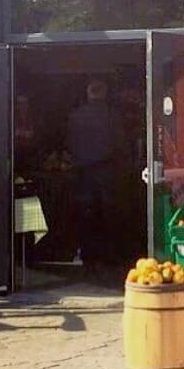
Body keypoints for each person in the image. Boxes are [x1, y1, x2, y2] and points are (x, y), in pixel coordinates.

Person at [66, 79, 124, 275]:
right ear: (105, 93)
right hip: (108, 172)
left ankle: (88, 257)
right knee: (109, 216)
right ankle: (110, 257)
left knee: (86, 215)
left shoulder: (76, 116)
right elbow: (121, 143)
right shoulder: (113, 116)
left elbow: (69, 144)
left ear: (88, 93)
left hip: (83, 173)